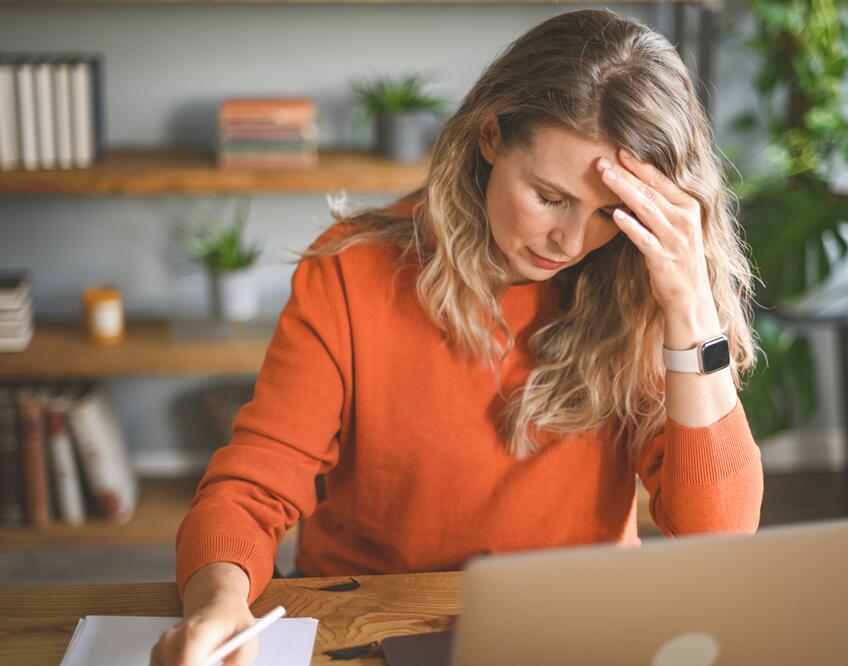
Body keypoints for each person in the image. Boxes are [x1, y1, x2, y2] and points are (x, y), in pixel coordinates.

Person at [151, 8, 764, 665]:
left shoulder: (639, 286)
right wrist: (216, 603)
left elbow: (717, 536)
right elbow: (253, 490)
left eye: (611, 212)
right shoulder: (351, 272)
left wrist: (691, 309)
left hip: (573, 627)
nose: (573, 241)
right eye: (550, 197)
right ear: (491, 135)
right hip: (374, 623)